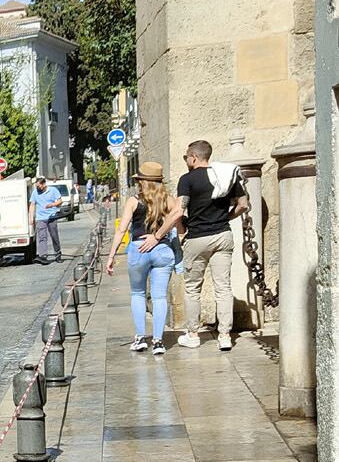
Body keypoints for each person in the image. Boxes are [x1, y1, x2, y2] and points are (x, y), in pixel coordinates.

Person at [152, 139, 249, 351]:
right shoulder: (225, 176)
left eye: (186, 157)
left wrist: (158, 234)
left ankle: (193, 334)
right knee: (223, 287)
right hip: (223, 235)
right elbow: (243, 205)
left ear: (194, 157)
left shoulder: (187, 179)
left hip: (197, 238)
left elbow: (178, 210)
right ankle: (225, 336)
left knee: (193, 288)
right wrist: (225, 218)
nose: (186, 160)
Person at [106, 162, 181, 355]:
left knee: (138, 293)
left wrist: (111, 255)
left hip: (139, 248)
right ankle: (158, 341)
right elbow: (180, 227)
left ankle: (140, 338)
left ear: (142, 182)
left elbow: (121, 229)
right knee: (159, 296)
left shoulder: (133, 201)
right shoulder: (169, 201)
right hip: (162, 249)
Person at [31, 177, 64, 264]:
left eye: (38, 186)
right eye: (36, 186)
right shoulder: (35, 192)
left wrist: (52, 205)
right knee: (42, 237)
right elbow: (32, 204)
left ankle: (58, 254)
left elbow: (60, 201)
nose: (37, 188)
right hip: (40, 218)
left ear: (44, 184)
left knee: (54, 236)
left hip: (51, 216)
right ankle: (43, 256)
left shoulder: (53, 190)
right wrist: (31, 217)